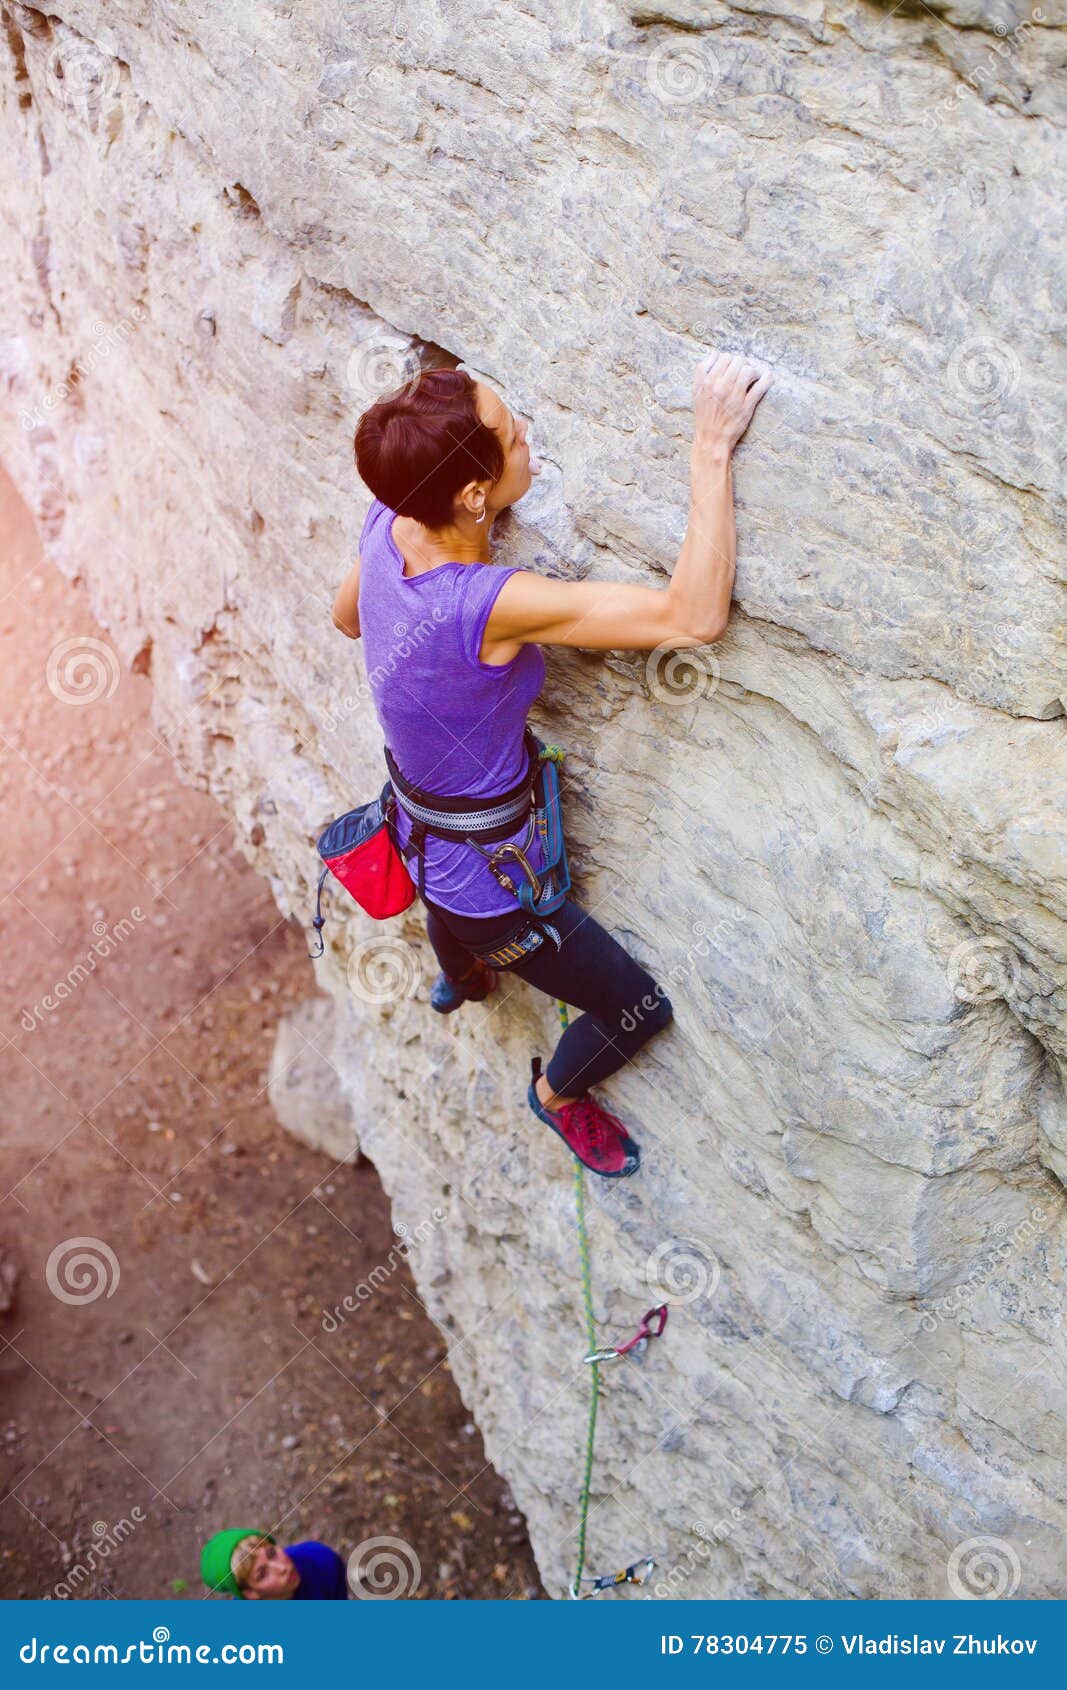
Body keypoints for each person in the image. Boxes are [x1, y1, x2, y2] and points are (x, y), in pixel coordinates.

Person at [332, 353, 771, 1180]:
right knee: (635, 1008)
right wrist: (710, 448)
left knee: (450, 905)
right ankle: (557, 1095)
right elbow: (694, 615)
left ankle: (459, 977)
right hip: (493, 890)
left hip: (419, 827)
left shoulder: (392, 513)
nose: (526, 429)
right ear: (470, 495)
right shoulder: (486, 603)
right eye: (510, 431)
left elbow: (346, 617)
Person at [200, 1529, 348, 1600]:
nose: (283, 1568)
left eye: (272, 1554)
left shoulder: (321, 1560)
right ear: (250, 1593)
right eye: (263, 1574)